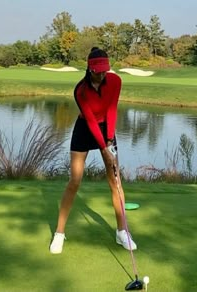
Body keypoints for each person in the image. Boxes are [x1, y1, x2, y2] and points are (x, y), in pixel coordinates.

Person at [49, 47, 137, 254]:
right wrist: (103, 146)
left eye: (105, 69)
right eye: (99, 70)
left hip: (107, 129)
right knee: (75, 180)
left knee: (115, 180)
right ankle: (59, 233)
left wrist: (108, 143)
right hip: (85, 130)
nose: (103, 73)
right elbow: (89, 119)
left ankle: (122, 231)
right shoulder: (80, 90)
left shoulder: (115, 82)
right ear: (90, 69)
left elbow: (112, 110)